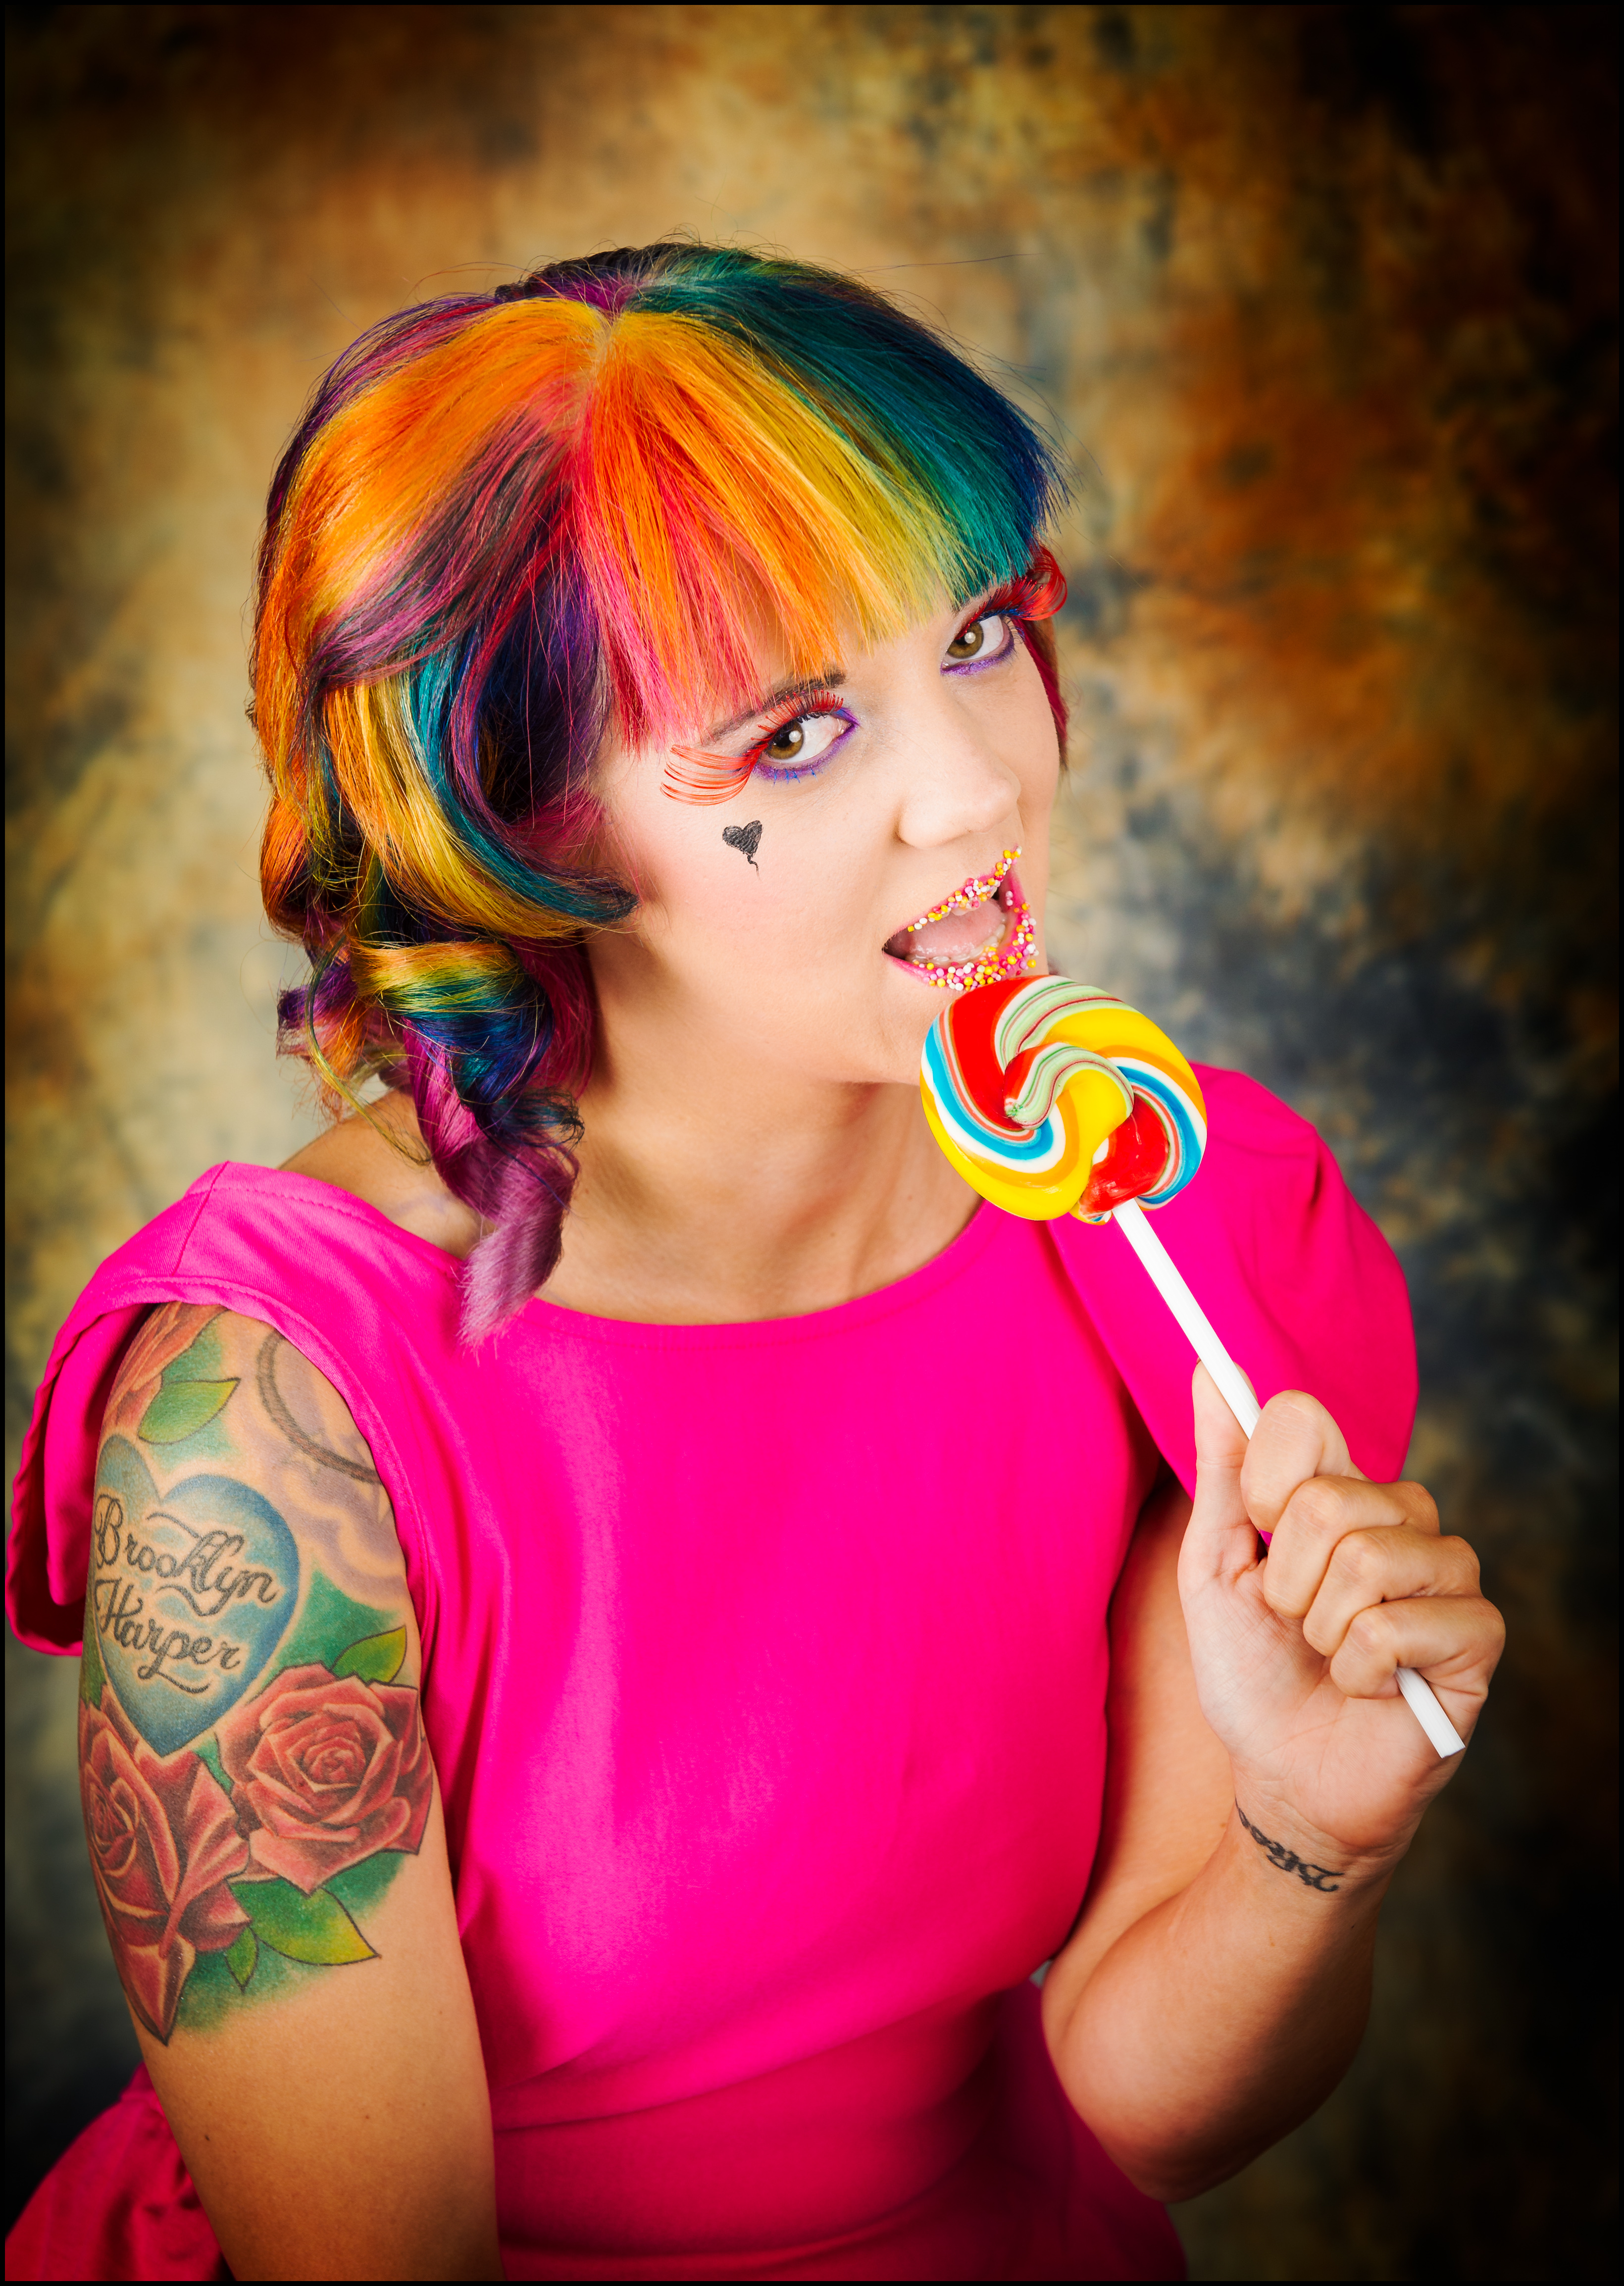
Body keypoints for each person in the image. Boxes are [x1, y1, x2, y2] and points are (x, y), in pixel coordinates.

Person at [6, 243, 1504, 2283]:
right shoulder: (268, 1424)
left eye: (979, 632)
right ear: (534, 827)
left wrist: (1311, 1834)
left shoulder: (1175, 1220)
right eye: (798, 733)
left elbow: (1152, 2104)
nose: (976, 790)